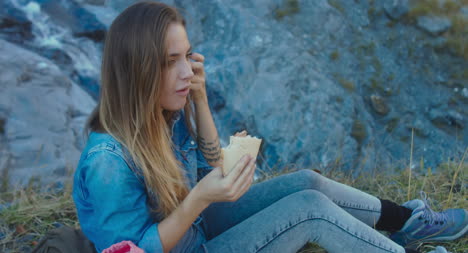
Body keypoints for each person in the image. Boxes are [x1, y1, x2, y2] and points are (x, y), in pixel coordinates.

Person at [72, 2, 467, 253]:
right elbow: (133, 251)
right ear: (137, 70)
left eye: (187, 56)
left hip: (197, 227)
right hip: (190, 243)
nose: (184, 71)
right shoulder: (109, 162)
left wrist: (200, 98)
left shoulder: (161, 113)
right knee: (309, 210)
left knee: (307, 183)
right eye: (168, 61)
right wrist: (198, 199)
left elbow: (210, 166)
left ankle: (407, 223)